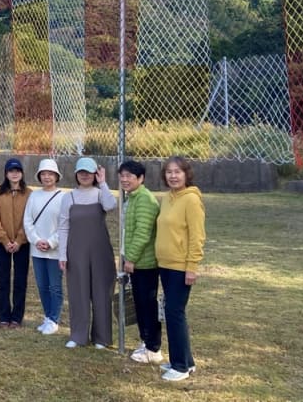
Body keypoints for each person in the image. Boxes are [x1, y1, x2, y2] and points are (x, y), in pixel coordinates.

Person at [58, 157, 117, 349]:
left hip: (100, 251)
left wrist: (103, 182)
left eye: (89, 172)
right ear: (76, 174)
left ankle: (102, 337)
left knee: (101, 292)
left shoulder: (101, 194)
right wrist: (62, 255)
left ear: (95, 174)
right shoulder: (69, 197)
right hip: (76, 251)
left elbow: (111, 206)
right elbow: (63, 227)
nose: (85, 175)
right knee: (78, 292)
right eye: (81, 172)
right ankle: (78, 335)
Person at [156, 156, 206, 382]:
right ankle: (186, 360)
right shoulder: (167, 198)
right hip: (164, 265)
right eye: (169, 172)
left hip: (180, 267)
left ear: (186, 174)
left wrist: (191, 267)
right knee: (174, 313)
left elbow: (197, 237)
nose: (173, 176)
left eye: (177, 172)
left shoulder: (192, 200)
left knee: (174, 313)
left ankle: (180, 366)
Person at [119, 160, 162, 364]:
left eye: (129, 176)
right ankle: (146, 342)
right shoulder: (132, 198)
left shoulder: (144, 199)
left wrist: (131, 258)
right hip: (137, 263)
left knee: (147, 305)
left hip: (144, 264)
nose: (124, 179)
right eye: (122, 175)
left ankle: (153, 348)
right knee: (140, 304)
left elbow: (143, 234)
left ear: (141, 178)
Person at [24, 158, 67, 336]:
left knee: (55, 286)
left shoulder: (63, 197)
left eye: (50, 174)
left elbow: (65, 224)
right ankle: (48, 317)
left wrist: (51, 242)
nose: (47, 177)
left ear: (56, 176)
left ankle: (54, 319)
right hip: (37, 249)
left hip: (55, 250)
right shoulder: (34, 195)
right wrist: (36, 240)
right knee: (42, 285)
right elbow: (27, 221)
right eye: (44, 174)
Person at [0, 158, 31, 328]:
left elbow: (30, 218)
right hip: (2, 243)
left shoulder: (28, 194)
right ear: (6, 173)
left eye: (17, 171)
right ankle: (4, 316)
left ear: (21, 173)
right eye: (11, 171)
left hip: (22, 243)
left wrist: (19, 240)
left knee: (20, 281)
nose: (14, 174)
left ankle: (17, 317)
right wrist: (5, 240)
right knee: (3, 280)